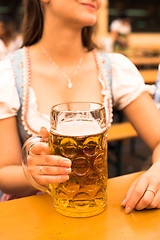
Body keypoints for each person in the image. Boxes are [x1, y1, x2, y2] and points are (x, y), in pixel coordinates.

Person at [0, 0, 160, 215]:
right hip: (29, 217)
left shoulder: (114, 67)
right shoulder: (8, 73)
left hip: (94, 211)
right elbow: (4, 172)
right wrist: (34, 172)